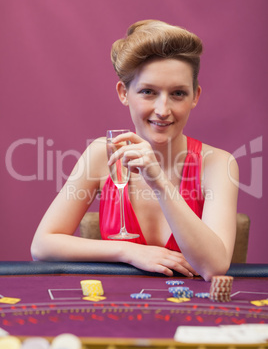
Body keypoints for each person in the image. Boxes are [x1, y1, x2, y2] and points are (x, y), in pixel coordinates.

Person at [31, 20, 239, 281]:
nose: (163, 110)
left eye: (177, 94)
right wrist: (128, 251)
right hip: (120, 308)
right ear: (124, 93)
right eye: (148, 92)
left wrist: (159, 182)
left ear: (195, 96)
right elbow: (42, 245)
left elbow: (214, 267)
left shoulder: (218, 163)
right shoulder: (102, 154)